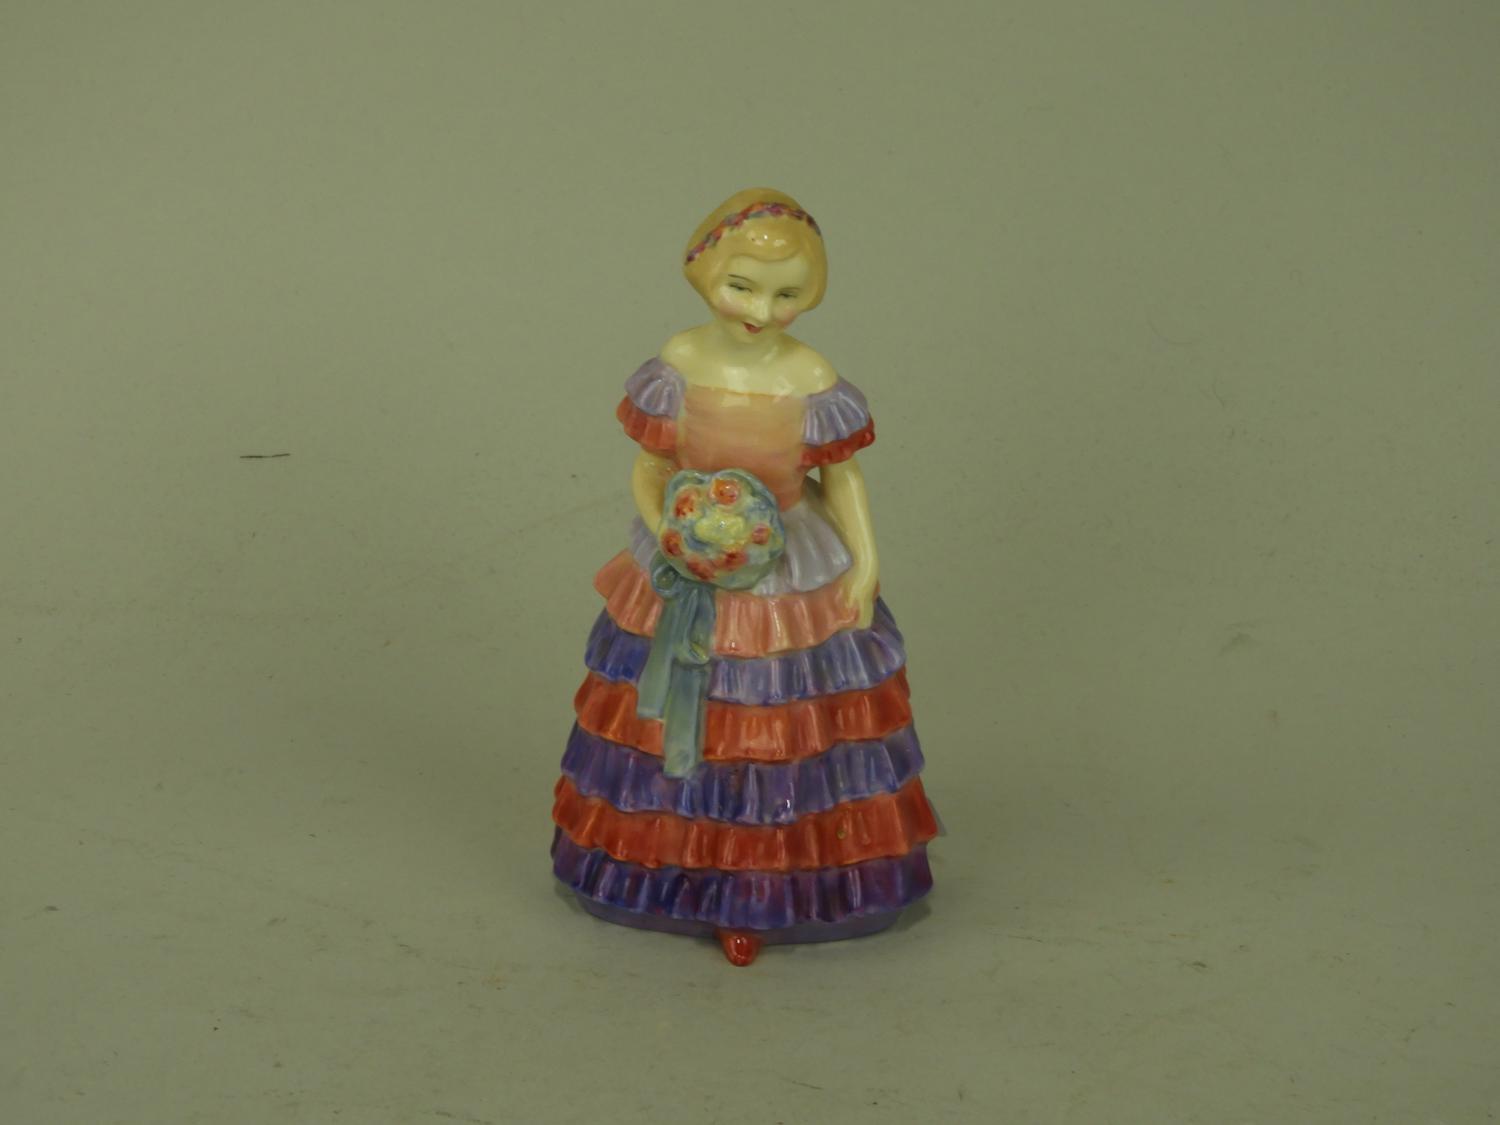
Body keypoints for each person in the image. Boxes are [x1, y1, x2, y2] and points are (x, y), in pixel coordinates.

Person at [551, 188, 938, 966]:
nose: (763, 310)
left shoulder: (809, 373)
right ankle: (674, 875)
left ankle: (773, 886)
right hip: (687, 557)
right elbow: (651, 465)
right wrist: (670, 529)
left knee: (781, 717)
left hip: (788, 565)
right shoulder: (680, 362)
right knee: (678, 711)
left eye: (787, 294)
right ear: (705, 272)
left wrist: (866, 558)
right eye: (743, 286)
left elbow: (841, 478)